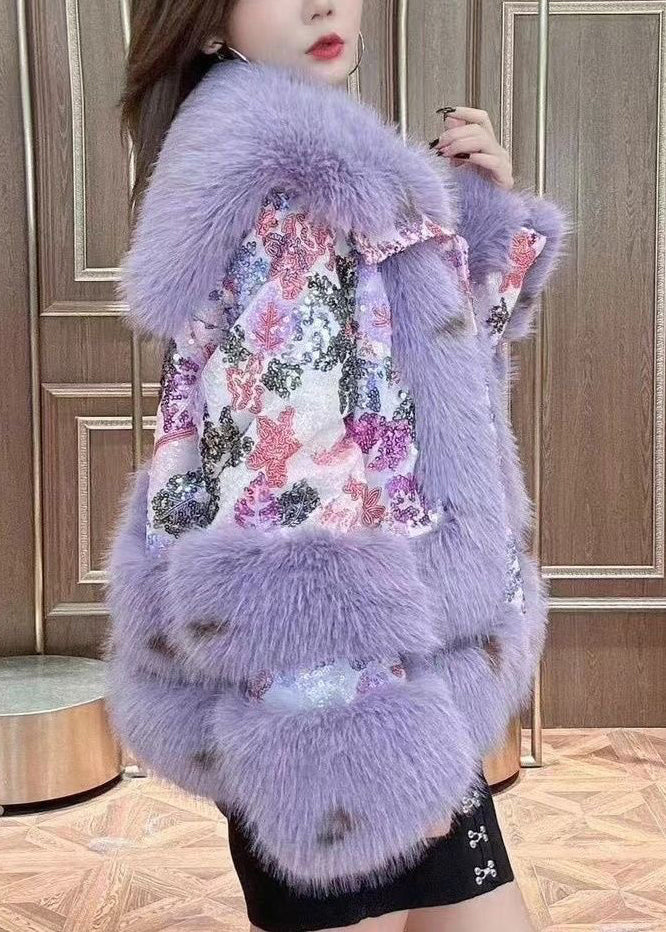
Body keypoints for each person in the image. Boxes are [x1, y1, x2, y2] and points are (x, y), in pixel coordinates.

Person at [103, 1, 569, 930]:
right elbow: (284, 502)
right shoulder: (288, 189)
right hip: (334, 709)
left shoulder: (314, 175)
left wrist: (481, 216)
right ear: (208, 22)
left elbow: (428, 390)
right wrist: (366, 746)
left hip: (386, 676)